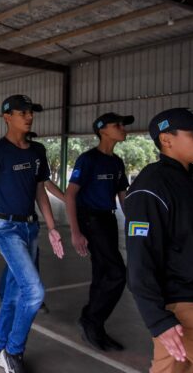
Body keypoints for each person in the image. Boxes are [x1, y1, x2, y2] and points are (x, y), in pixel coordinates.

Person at [0, 94, 64, 373]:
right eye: (22, 112)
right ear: (7, 117)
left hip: (30, 228)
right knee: (34, 291)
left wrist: (52, 227)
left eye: (31, 112)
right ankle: (13, 351)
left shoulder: (37, 151)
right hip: (6, 227)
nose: (29, 116)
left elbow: (40, 191)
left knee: (13, 294)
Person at [125, 108, 193, 372]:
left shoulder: (190, 180)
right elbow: (140, 257)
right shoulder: (151, 185)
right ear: (166, 139)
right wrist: (157, 319)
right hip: (181, 303)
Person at [65, 113, 133, 351]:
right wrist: (75, 232)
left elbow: (123, 196)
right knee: (117, 273)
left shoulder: (117, 162)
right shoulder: (88, 159)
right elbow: (70, 195)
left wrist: (134, 224)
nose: (123, 128)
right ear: (102, 130)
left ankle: (93, 324)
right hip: (91, 220)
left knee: (103, 273)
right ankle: (91, 320)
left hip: (108, 220)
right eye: (118, 125)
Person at [0, 131, 64, 313]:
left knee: (24, 261)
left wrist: (66, 200)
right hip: (9, 223)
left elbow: (43, 186)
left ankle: (17, 296)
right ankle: (11, 297)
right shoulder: (4, 154)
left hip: (29, 222)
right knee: (19, 263)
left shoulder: (36, 155)